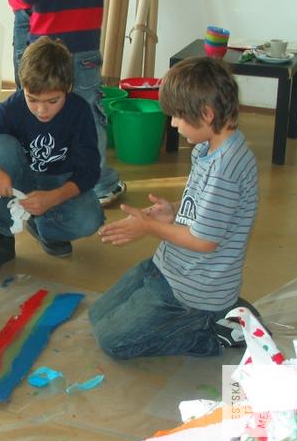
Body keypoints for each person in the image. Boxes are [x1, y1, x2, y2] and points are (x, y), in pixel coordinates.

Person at [90, 57, 259, 359]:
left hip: (194, 291)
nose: (173, 124)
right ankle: (220, 312)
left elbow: (204, 241)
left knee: (113, 342)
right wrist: (174, 212)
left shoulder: (226, 168)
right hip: (170, 267)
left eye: (178, 116)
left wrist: (149, 226)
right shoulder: (208, 147)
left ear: (206, 114)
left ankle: (211, 328)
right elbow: (209, 209)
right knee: (97, 315)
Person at [0, 36, 104, 276]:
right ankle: (0, 234)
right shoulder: (12, 108)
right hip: (19, 180)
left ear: (68, 88)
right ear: (22, 88)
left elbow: (89, 172)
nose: (42, 110)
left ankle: (44, 227)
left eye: (53, 101)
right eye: (32, 99)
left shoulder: (79, 111)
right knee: (0, 145)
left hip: (58, 183)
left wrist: (52, 198)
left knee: (89, 219)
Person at [6, 0, 127, 208]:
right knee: (89, 114)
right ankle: (100, 184)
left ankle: (43, 177)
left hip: (46, 51)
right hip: (85, 46)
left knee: (41, 111)